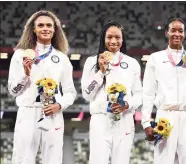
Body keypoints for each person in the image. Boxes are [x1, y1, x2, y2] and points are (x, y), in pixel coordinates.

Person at [8, 10, 77, 164]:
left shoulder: (62, 58)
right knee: (22, 159)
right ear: (33, 29)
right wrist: (25, 74)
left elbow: (70, 92)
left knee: (53, 160)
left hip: (53, 113)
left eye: (49, 25)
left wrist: (59, 105)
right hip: (28, 111)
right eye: (40, 25)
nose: (45, 28)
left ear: (55, 29)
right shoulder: (20, 55)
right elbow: (13, 91)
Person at [141, 18, 186, 164]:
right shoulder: (155, 58)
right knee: (163, 160)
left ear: (185, 34)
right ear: (166, 33)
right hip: (165, 115)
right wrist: (146, 123)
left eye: (180, 31)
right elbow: (148, 92)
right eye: (173, 30)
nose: (177, 34)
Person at [81, 21, 142, 164]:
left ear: (123, 39)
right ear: (103, 38)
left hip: (124, 119)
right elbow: (86, 94)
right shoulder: (91, 62)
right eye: (109, 37)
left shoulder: (132, 63)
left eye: (117, 37)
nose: (113, 41)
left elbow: (139, 95)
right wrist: (100, 72)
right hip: (100, 119)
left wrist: (127, 105)